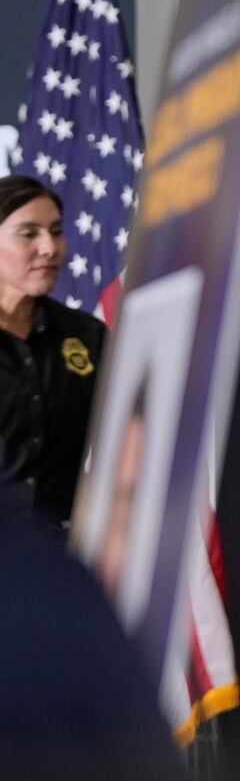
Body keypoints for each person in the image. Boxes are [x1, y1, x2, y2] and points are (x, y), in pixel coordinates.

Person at [0, 175, 105, 530]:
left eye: (57, 231)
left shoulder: (88, 336)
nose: (49, 247)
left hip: (60, 564)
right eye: (29, 233)